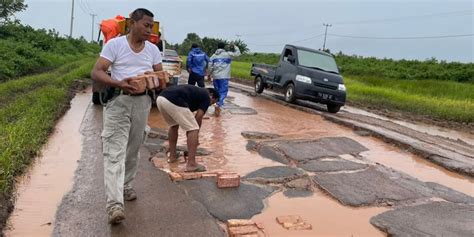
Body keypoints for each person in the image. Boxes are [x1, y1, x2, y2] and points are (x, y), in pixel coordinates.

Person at [90, 8, 163, 225]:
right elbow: (97, 72)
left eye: (152, 26)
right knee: (114, 152)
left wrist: (159, 80)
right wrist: (119, 83)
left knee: (133, 150)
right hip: (118, 102)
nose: (150, 30)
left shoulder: (152, 50)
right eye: (146, 25)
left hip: (142, 104)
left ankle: (126, 185)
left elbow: (159, 75)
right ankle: (114, 205)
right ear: (132, 23)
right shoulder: (115, 45)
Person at [156, 85, 219, 172]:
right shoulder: (206, 96)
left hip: (161, 99)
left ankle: (172, 156)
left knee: (173, 125)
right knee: (193, 129)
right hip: (173, 100)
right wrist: (195, 136)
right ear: (211, 95)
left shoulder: (196, 92)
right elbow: (199, 117)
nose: (210, 104)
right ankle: (191, 164)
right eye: (213, 102)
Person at [208, 42, 241, 116]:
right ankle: (219, 104)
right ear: (223, 47)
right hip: (224, 77)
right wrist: (234, 46)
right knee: (223, 92)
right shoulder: (228, 54)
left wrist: (209, 74)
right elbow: (238, 54)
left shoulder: (213, 56)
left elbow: (210, 66)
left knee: (216, 92)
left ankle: (216, 104)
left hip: (216, 77)